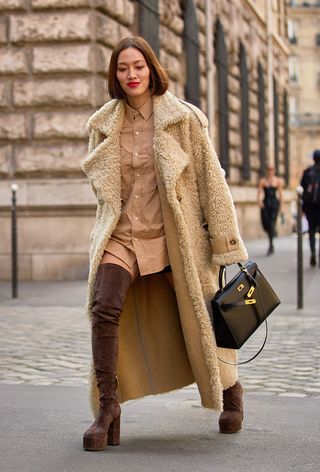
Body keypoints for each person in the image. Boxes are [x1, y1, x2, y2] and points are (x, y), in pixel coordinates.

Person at [80, 36, 248, 451]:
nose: (131, 75)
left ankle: (231, 390)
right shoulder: (104, 124)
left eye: (138, 66)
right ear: (114, 75)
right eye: (122, 68)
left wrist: (225, 243)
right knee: (104, 307)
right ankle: (107, 407)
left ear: (152, 69)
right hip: (123, 236)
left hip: (176, 237)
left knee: (205, 314)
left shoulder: (183, 119)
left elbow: (212, 181)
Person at [257, 165, 284, 255]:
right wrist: (259, 201)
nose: (270, 171)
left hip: (274, 204)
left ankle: (271, 244)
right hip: (266, 204)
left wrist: (281, 206)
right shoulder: (263, 181)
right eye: (268, 169)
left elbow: (280, 194)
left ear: (274, 170)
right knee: (266, 224)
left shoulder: (278, 181)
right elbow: (259, 192)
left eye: (272, 169)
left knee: (272, 223)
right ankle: (272, 233)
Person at [300, 149, 320, 267]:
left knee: (311, 231)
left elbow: (302, 191)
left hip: (310, 208)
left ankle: (312, 252)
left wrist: (303, 208)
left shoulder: (307, 172)